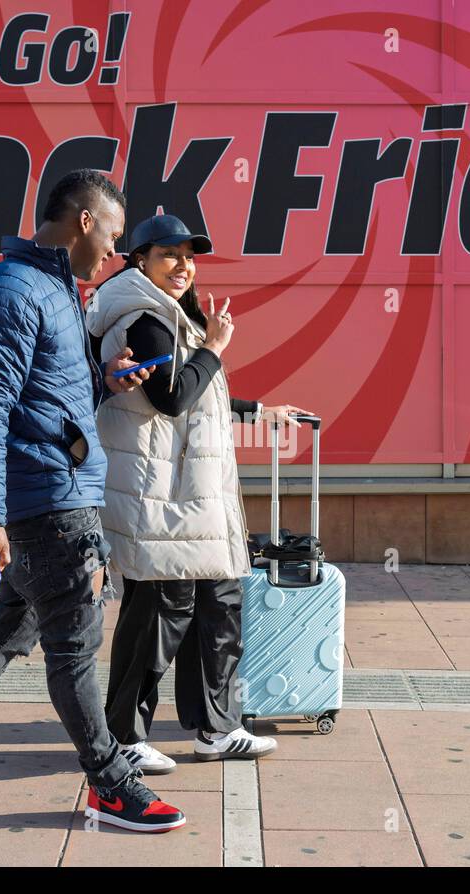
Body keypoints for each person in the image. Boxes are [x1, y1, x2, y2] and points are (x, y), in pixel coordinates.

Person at [0, 171, 187, 833]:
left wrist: (102, 384)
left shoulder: (54, 290)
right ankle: (111, 783)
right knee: (75, 646)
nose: (114, 252)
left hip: (54, 493)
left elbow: (42, 406)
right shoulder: (11, 290)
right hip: (45, 506)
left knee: (4, 634)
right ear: (83, 219)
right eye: (111, 234)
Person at [86, 213, 313, 774]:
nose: (183, 266)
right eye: (169, 255)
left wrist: (259, 411)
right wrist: (214, 346)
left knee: (219, 607)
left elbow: (200, 395)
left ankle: (218, 727)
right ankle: (125, 733)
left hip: (191, 499)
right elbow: (171, 398)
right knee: (159, 614)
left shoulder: (168, 314)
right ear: (139, 260)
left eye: (189, 256)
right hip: (160, 497)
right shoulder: (144, 316)